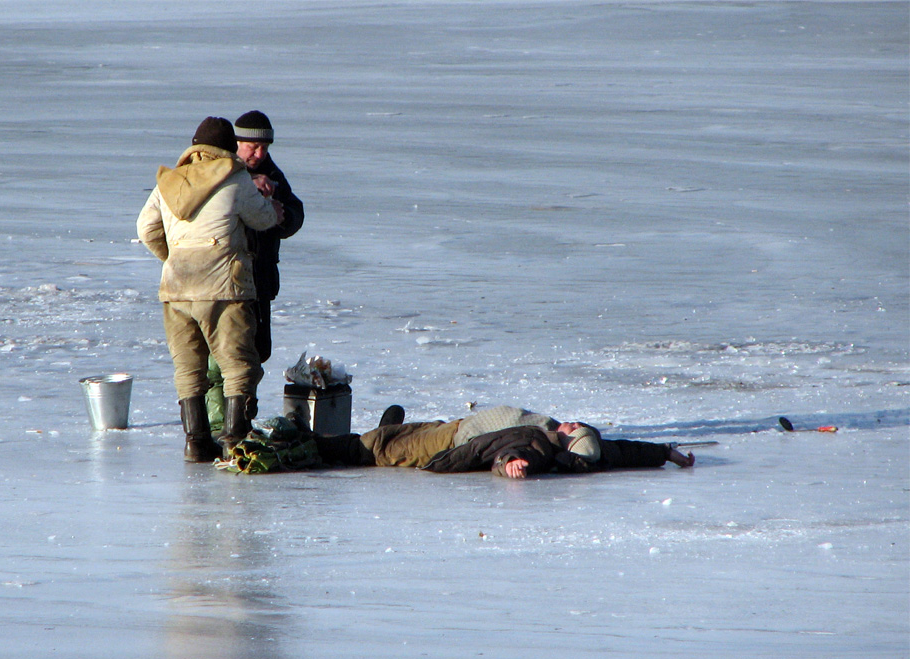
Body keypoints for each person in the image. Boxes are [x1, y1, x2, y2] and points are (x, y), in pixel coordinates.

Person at [136, 117, 285, 462]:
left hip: (176, 289)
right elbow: (262, 218)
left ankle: (196, 443)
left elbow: (146, 229)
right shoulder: (234, 178)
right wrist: (276, 211)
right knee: (238, 367)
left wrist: (174, 258)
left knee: (189, 369)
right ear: (227, 148)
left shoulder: (167, 183)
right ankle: (234, 441)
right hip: (222, 289)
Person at [206, 110, 304, 432]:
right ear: (237, 143)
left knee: (257, 352)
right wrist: (249, 186)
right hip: (222, 279)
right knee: (222, 356)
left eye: (265, 148)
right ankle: (222, 425)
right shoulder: (220, 167)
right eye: (252, 147)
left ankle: (241, 416)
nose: (259, 154)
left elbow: (295, 213)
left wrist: (279, 213)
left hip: (259, 280)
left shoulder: (272, 173)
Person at [313, 405, 695, 479]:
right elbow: (623, 450)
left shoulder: (539, 445)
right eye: (583, 426)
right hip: (461, 423)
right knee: (404, 430)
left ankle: (309, 444)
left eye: (575, 430)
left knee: (379, 448)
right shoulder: (577, 441)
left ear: (567, 444)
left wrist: (509, 465)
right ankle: (391, 426)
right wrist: (666, 453)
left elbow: (510, 452)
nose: (576, 424)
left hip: (454, 439)